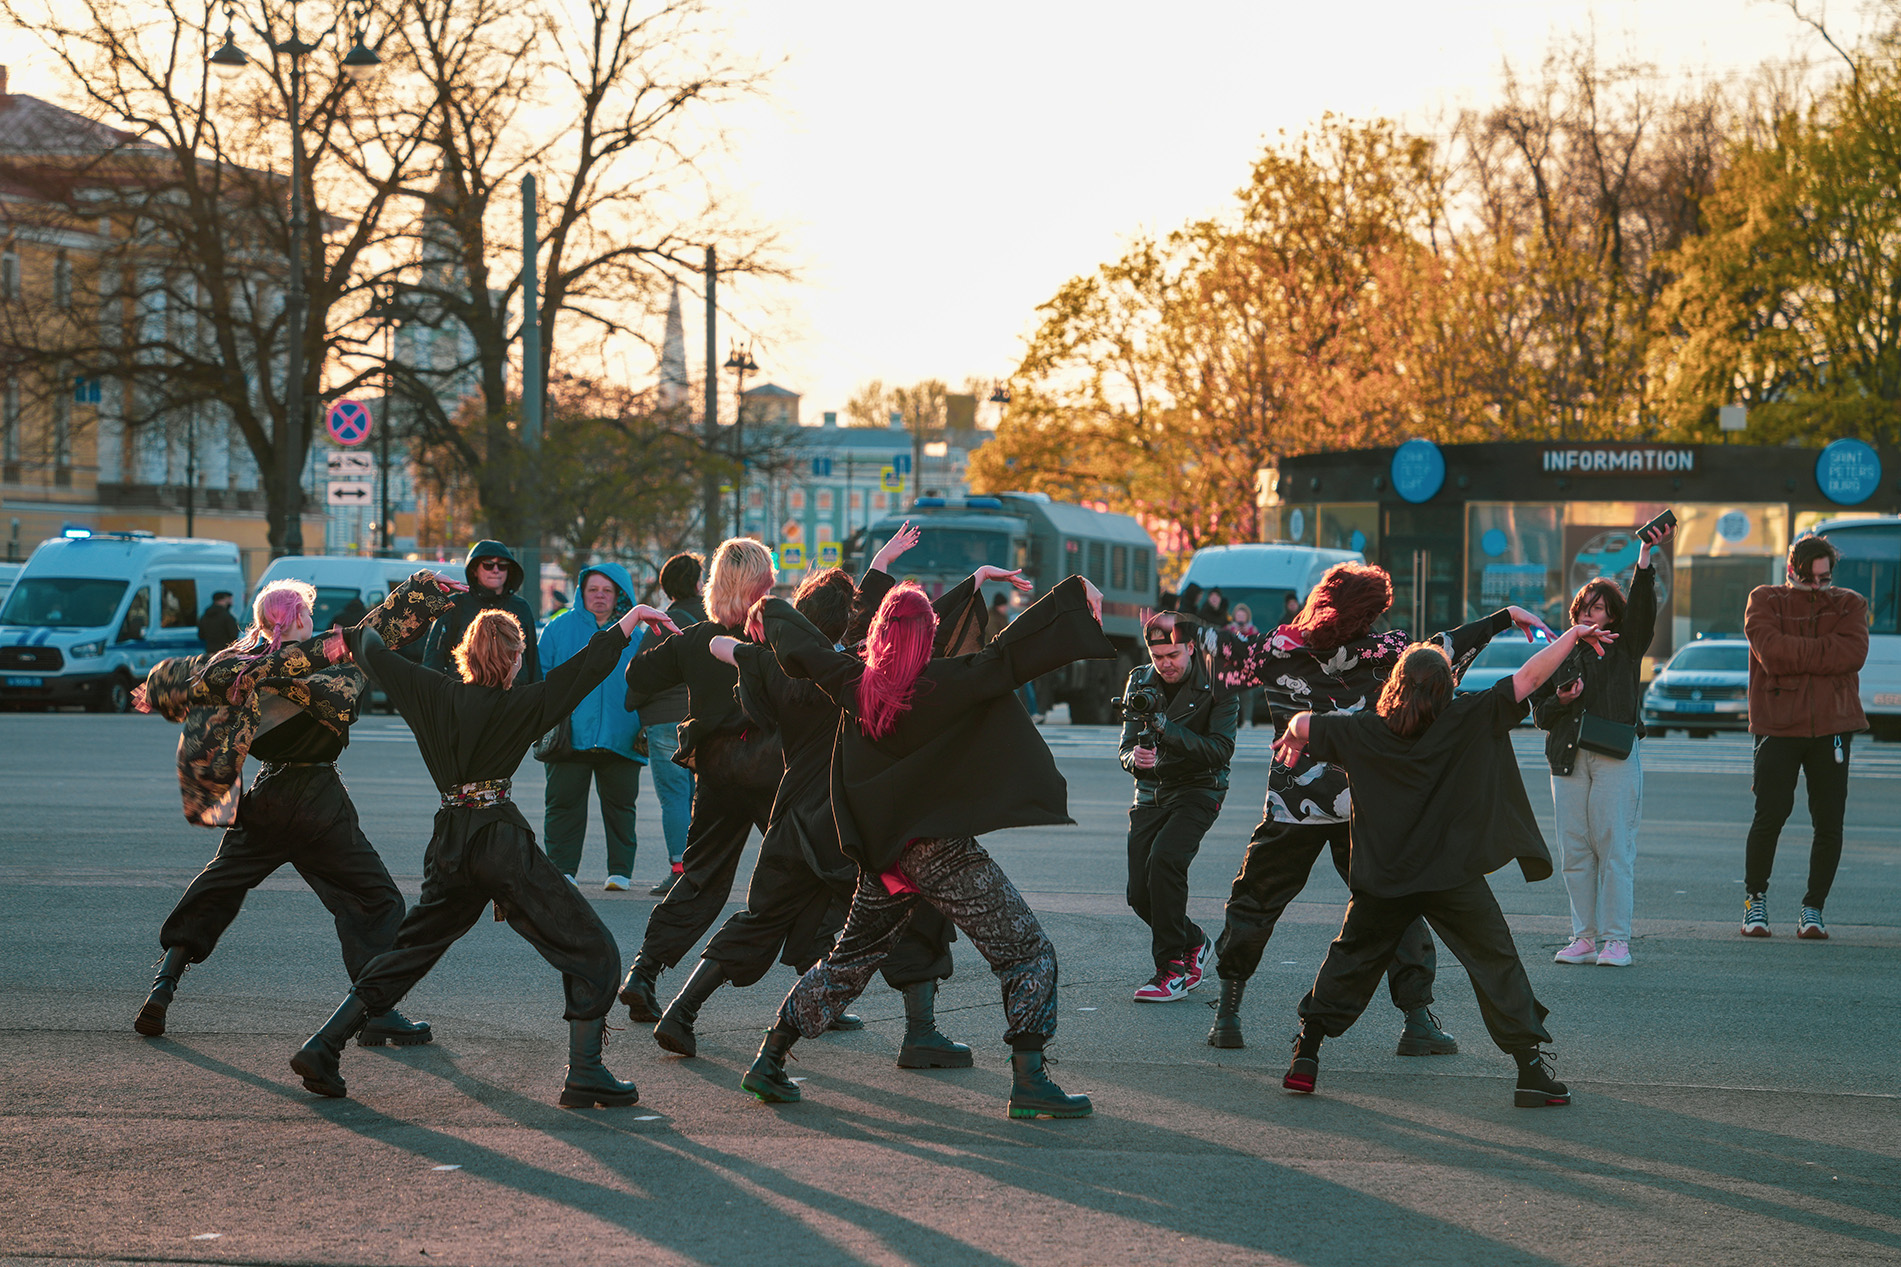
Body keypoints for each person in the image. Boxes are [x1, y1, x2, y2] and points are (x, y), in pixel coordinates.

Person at [739, 573, 1113, 1120]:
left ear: (879, 632)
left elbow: (806, 644)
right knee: (1028, 952)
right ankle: (1030, 1081)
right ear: (927, 634)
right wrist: (1076, 590)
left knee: (847, 961)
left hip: (886, 855)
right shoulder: (950, 680)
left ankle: (769, 1060)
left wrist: (769, 608)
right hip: (940, 853)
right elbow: (1014, 652)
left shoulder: (851, 681)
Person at [288, 595, 679, 1107]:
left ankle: (323, 1045)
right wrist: (632, 618)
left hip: (450, 841)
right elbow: (586, 669)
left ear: (464, 655)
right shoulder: (524, 703)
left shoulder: (431, 691)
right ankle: (585, 1072)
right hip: (499, 841)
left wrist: (373, 622)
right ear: (515, 658)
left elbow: (374, 649)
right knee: (593, 949)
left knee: (409, 950)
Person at [1197, 563, 1553, 1055]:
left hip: (1292, 808)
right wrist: (1504, 617)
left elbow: (1210, 657)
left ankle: (1228, 1013)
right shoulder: (1386, 654)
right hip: (1364, 809)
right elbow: (1442, 652)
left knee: (1255, 902)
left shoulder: (1276, 651)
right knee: (1397, 908)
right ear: (1368, 613)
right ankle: (1417, 1021)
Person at [659, 547, 979, 1069]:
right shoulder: (853, 669)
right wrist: (972, 582)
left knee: (760, 919)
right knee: (912, 915)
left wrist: (745, 636)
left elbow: (720, 645)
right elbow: (920, 636)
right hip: (841, 822)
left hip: (788, 819)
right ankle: (921, 1034)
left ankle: (681, 1011)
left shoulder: (770, 667)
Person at [1274, 618, 1614, 1108]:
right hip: (1451, 877)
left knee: (1349, 961)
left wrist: (1293, 737)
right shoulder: (1467, 718)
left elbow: (1302, 723)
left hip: (1384, 880)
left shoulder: (1362, 732)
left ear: (1394, 686)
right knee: (1496, 963)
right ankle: (1530, 1073)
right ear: (1446, 689)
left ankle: (1305, 1056)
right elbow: (1532, 678)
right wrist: (1573, 636)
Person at [132, 573, 459, 1043]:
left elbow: (181, 682)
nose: (314, 618)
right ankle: (378, 1012)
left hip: (266, 797)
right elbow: (378, 631)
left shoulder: (240, 668)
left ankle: (162, 988)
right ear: (299, 618)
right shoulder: (327, 660)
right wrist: (425, 590)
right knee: (376, 899)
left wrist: (423, 588)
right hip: (318, 799)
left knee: (218, 887)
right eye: (307, 611)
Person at [616, 539, 784, 1022]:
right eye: (768, 577)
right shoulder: (770, 635)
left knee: (701, 878)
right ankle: (824, 985)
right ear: (755, 584)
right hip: (769, 768)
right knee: (808, 866)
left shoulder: (695, 638)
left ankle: (643, 974)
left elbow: (638, 676)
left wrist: (676, 645)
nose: (773, 585)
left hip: (715, 771)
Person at [1533, 518, 1672, 967]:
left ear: (1612, 614)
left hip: (1614, 756)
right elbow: (1540, 715)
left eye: (1597, 608)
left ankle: (1616, 941)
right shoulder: (1563, 650)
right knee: (1575, 850)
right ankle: (1583, 937)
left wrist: (1645, 558)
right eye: (1583, 608)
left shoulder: (1627, 645)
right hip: (1567, 759)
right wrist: (1560, 697)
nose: (1588, 614)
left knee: (1614, 849)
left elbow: (1643, 609)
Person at [1740, 535, 1868, 940]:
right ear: (1792, 571)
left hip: (1833, 726)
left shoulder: (1851, 603)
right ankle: (1754, 902)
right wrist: (1823, 654)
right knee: (1770, 815)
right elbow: (1770, 652)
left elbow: (1853, 654)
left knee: (1829, 822)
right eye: (1810, 579)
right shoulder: (1764, 599)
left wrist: (1797, 654)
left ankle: (1813, 909)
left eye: (1825, 579)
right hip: (1777, 724)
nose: (1818, 587)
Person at [1118, 610, 1237, 1002]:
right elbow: (1125, 749)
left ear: (1190, 647)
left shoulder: (1218, 682)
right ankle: (1194, 941)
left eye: (1173, 655)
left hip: (1200, 788)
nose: (1166, 664)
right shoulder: (1140, 679)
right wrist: (1136, 759)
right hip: (1151, 792)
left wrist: (1166, 731)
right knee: (1140, 894)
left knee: (1166, 861)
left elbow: (1220, 751)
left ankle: (1170, 970)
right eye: (1158, 657)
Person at [537, 563, 648, 891]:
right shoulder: (558, 629)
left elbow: (649, 683)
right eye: (593, 590)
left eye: (607, 591)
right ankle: (562, 869)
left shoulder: (636, 635)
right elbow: (543, 676)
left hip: (622, 734)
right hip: (568, 737)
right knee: (562, 805)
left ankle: (620, 873)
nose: (599, 597)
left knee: (622, 808)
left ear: (619, 595)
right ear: (581, 593)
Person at [639, 553, 706, 896]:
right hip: (706, 718)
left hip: (665, 720)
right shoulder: (715, 618)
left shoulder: (662, 622)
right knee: (703, 796)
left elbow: (638, 675)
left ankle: (680, 869)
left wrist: (637, 713)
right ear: (698, 583)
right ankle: (705, 867)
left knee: (674, 797)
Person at [422, 540, 542, 685]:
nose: (496, 570)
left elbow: (532, 659)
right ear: (474, 570)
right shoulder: (456, 605)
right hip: (465, 698)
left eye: (502, 566)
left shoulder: (521, 607)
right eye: (488, 565)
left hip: (513, 699)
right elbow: (435, 657)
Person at [1227, 604, 1260, 728]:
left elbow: (1255, 645)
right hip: (1231, 666)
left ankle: (1247, 720)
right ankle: (1232, 721)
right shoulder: (1229, 629)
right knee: (1231, 695)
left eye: (1243, 615)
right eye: (1238, 615)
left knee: (1247, 695)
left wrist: (1248, 632)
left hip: (1246, 666)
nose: (1240, 618)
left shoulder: (1253, 630)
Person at [196, 591, 240, 656]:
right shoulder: (227, 616)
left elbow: (201, 635)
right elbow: (234, 634)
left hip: (210, 652)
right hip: (226, 652)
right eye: (229, 599)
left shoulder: (205, 616)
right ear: (224, 599)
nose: (231, 602)